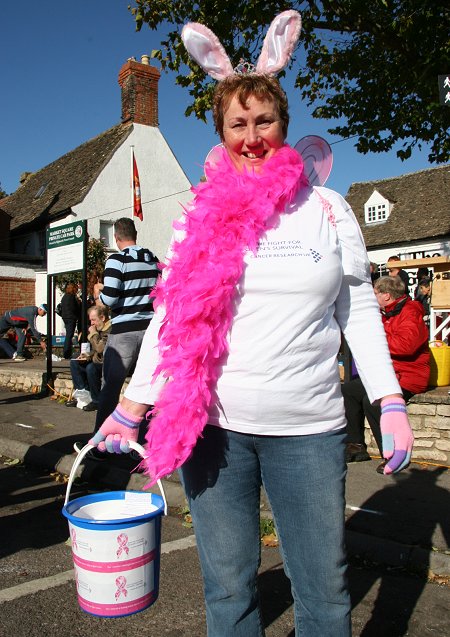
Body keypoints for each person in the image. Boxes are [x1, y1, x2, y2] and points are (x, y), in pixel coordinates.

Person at [89, 12, 414, 636]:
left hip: (310, 431)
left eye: (263, 120)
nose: (252, 136)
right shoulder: (199, 217)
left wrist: (388, 396)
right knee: (229, 592)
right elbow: (172, 319)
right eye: (237, 123)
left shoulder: (326, 208)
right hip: (216, 432)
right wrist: (133, 404)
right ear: (222, 132)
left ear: (283, 125)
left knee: (323, 593)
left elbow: (359, 308)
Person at [343, 275, 429, 472]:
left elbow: (406, 346)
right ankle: (356, 446)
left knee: (372, 400)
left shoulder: (410, 312)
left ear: (387, 296)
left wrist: (377, 337)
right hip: (390, 372)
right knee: (348, 391)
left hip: (408, 375)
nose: (372, 297)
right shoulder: (387, 312)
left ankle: (390, 454)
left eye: (375, 293)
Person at [92, 217, 159, 433]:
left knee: (111, 388)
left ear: (116, 237)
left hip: (123, 332)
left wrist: (99, 292)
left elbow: (110, 299)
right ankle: (141, 445)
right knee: (146, 390)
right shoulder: (152, 258)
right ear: (135, 234)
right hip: (150, 330)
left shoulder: (116, 260)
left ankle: (100, 441)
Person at [66, 305, 111, 411]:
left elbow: (100, 349)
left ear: (103, 318)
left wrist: (93, 334)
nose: (91, 323)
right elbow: (95, 350)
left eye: (94, 320)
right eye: (91, 320)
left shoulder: (110, 329)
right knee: (75, 362)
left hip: (108, 362)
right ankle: (83, 396)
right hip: (98, 359)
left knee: (91, 368)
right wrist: (87, 356)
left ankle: (96, 401)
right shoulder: (100, 327)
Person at [60, 282, 81, 359]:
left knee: (68, 335)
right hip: (71, 317)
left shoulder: (65, 297)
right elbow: (74, 308)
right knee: (69, 335)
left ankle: (67, 353)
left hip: (65, 317)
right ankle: (66, 353)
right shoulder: (72, 297)